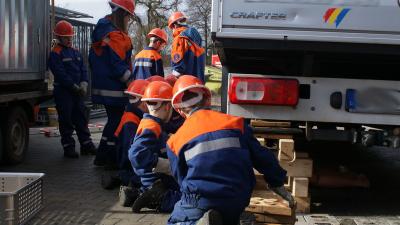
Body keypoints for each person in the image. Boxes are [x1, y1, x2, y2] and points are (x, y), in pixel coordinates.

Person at [165, 75, 295, 225]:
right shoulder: (236, 124)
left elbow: (181, 179)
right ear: (207, 100)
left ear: (180, 111)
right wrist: (277, 182)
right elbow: (263, 157)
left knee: (177, 218)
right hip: (237, 197)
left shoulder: (175, 141)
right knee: (225, 215)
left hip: (202, 200)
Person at [89, 0, 135, 167]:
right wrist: (130, 81)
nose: (128, 20)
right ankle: (108, 157)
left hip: (106, 86)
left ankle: (102, 156)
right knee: (116, 121)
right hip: (113, 88)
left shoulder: (104, 30)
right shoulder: (114, 34)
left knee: (113, 121)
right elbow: (117, 64)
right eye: (128, 17)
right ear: (122, 14)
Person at [128, 81, 181, 213]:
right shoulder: (151, 126)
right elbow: (136, 155)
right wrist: (163, 164)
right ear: (168, 106)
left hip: (153, 179)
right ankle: (158, 199)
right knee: (185, 198)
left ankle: (137, 194)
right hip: (156, 179)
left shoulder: (152, 123)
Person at [48, 20, 96, 158]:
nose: (69, 39)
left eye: (70, 37)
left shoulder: (75, 52)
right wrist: (73, 86)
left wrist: (84, 83)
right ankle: (68, 147)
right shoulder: (55, 53)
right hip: (64, 92)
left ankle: (86, 144)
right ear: (59, 37)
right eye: (66, 37)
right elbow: (60, 73)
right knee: (66, 120)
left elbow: (83, 69)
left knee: (81, 118)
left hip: (76, 92)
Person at [111, 80, 149, 206]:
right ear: (142, 101)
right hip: (126, 162)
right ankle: (128, 183)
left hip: (125, 158)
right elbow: (131, 151)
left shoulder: (133, 114)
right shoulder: (131, 120)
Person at [168, 12, 206, 82]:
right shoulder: (197, 39)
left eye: (172, 28)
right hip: (198, 83)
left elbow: (178, 69)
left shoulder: (179, 39)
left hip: (186, 85)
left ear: (175, 25)